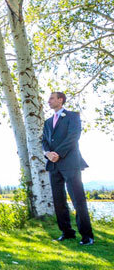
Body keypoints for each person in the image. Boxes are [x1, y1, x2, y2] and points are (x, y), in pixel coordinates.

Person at [42, 91, 94, 246]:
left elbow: (73, 137)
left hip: (70, 163)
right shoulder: (47, 121)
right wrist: (48, 153)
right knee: (58, 201)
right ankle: (67, 232)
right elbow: (44, 140)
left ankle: (87, 236)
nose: (49, 101)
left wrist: (58, 153)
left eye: (51, 98)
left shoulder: (73, 116)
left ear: (60, 100)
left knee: (78, 200)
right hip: (53, 164)